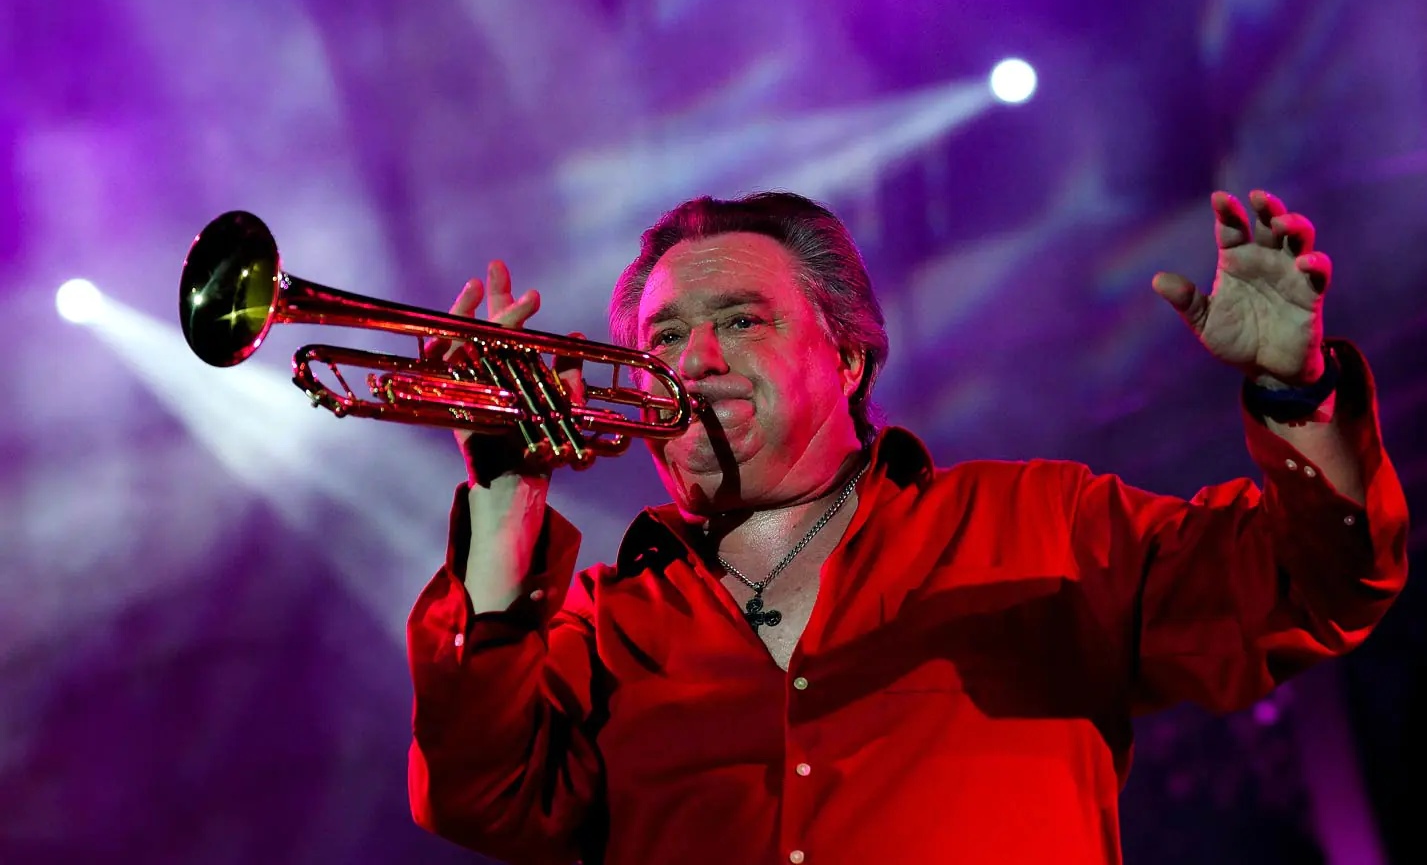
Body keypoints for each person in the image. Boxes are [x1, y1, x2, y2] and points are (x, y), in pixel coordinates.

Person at [405, 191, 1408, 865]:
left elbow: (1308, 587)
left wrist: (1296, 390)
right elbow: (478, 800)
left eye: (741, 319)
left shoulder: (1039, 523)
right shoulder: (600, 625)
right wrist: (505, 496)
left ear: (846, 358)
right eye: (662, 336)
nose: (692, 357)